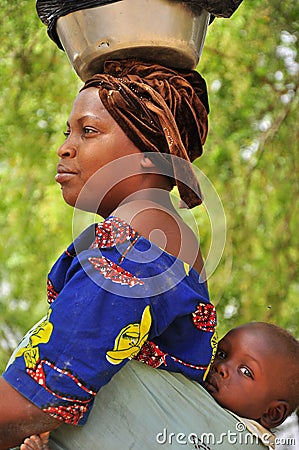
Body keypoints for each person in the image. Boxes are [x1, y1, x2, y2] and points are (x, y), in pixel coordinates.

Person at [0, 59, 218, 449]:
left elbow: (31, 402)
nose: (65, 147)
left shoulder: (131, 247)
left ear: (150, 157)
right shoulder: (166, 239)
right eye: (69, 132)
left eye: (88, 131)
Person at [20, 321, 299, 450]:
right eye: (223, 354)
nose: (222, 368)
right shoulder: (177, 392)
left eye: (245, 371)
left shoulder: (248, 441)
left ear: (273, 414)